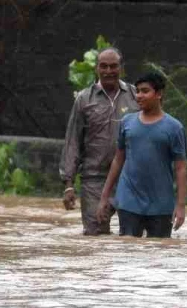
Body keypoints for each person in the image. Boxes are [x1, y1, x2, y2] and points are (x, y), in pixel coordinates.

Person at [97, 71, 187, 238]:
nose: (139, 95)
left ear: (159, 94)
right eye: (137, 91)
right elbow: (118, 159)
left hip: (161, 204)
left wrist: (180, 205)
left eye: (145, 91)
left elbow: (180, 168)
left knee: (158, 254)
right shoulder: (127, 122)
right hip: (128, 200)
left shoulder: (174, 128)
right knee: (128, 250)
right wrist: (104, 197)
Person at [59, 47, 139, 235]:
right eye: (104, 66)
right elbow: (72, 142)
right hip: (94, 180)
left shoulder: (137, 96)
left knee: (133, 238)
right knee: (96, 236)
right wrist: (68, 184)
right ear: (97, 68)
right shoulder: (84, 99)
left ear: (122, 68)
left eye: (113, 66)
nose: (108, 71)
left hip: (130, 178)